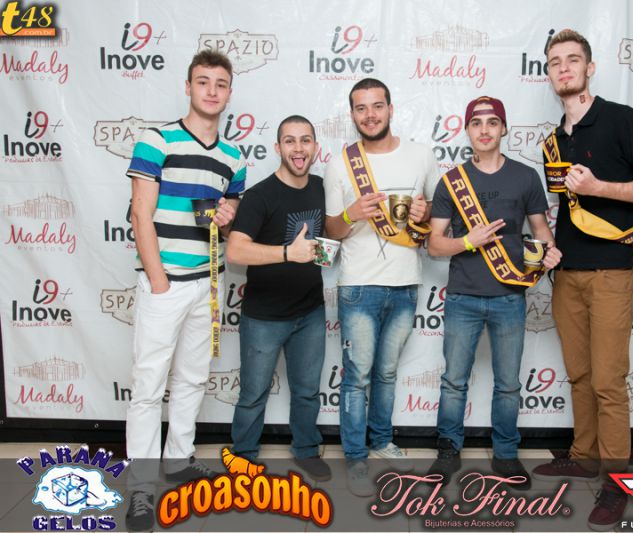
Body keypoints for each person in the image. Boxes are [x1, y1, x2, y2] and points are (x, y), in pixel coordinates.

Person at [531, 29, 633, 531]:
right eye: (555, 62)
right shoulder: (554, 140)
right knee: (580, 375)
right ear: (549, 75)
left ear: (589, 68)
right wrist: (549, 250)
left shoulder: (620, 118)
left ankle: (616, 481)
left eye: (573, 60)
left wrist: (599, 186)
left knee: (609, 382)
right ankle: (584, 456)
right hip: (567, 273)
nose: (564, 68)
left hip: (611, 271)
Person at [124, 50, 245, 530]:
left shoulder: (233, 157)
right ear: (188, 86)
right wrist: (159, 281)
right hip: (166, 283)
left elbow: (227, 218)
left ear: (229, 93)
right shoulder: (156, 140)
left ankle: (178, 460)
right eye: (203, 81)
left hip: (208, 285)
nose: (212, 91)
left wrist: (228, 216)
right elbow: (140, 214)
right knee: (148, 388)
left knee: (193, 379)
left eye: (220, 83)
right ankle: (140, 488)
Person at [427, 96, 561, 489]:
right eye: (476, 123)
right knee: (454, 380)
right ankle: (448, 450)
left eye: (492, 122)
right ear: (467, 130)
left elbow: (541, 231)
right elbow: (434, 245)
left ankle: (505, 454)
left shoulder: (526, 177)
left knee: (508, 383)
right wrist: (467, 241)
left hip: (509, 296)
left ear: (503, 128)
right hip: (463, 297)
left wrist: (550, 252)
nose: (484, 130)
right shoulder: (452, 181)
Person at [324, 78, 439, 496]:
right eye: (361, 108)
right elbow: (331, 231)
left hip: (405, 284)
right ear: (352, 114)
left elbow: (434, 220)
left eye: (377, 106)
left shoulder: (421, 156)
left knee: (387, 372)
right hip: (358, 286)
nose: (370, 115)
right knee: (357, 376)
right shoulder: (341, 163)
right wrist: (351, 213)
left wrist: (424, 213)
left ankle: (382, 440)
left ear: (391, 109)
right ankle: (355, 456)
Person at [226, 115, 330, 482]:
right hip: (264, 317)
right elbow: (235, 251)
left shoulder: (321, 187)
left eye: (305, 140)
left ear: (315, 147)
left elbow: (329, 232)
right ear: (277, 148)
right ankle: (243, 457)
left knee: (307, 391)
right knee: (253, 394)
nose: (298, 148)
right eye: (290, 141)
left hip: (310, 312)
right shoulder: (260, 196)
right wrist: (288, 253)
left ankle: (306, 449)